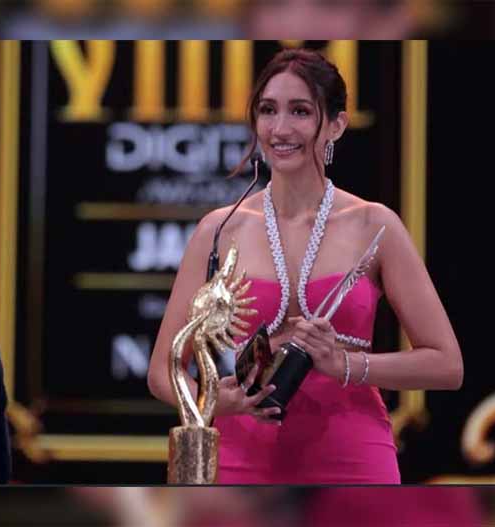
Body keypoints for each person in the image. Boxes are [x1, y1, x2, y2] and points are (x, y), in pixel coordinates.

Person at [147, 48, 464, 484]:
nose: (280, 129)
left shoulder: (374, 225)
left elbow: (447, 366)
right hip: (241, 460)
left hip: (353, 456)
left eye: (300, 111)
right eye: (267, 110)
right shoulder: (219, 230)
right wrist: (215, 400)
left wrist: (345, 365)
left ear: (336, 124)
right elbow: (162, 372)